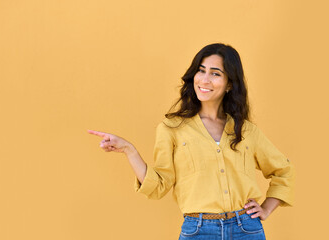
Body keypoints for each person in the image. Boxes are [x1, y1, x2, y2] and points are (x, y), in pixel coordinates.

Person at [87, 43, 295, 240]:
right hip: (199, 230)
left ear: (230, 84)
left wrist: (267, 208)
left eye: (215, 73)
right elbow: (159, 185)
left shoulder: (247, 130)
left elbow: (283, 170)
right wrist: (128, 149)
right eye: (201, 70)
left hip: (246, 229)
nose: (204, 79)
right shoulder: (172, 129)